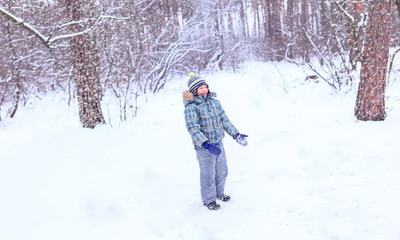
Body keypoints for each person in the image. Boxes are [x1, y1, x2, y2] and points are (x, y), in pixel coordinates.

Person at [183, 73, 248, 211]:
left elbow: (225, 120)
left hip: (218, 143)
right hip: (204, 147)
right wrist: (205, 143)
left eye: (205, 87)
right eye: (200, 88)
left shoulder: (215, 103)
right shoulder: (191, 107)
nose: (204, 90)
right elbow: (193, 128)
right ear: (194, 91)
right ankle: (209, 200)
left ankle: (219, 193)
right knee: (208, 174)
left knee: (222, 171)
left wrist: (236, 134)